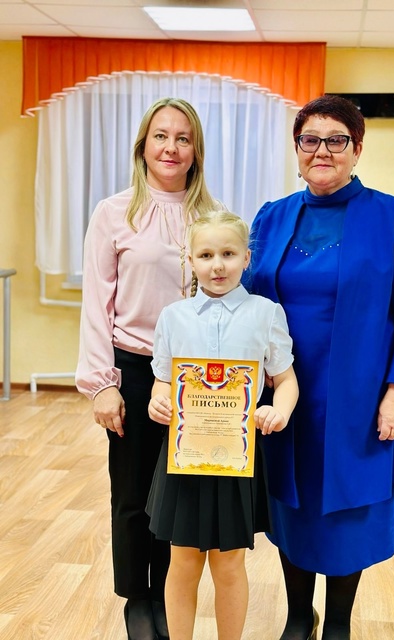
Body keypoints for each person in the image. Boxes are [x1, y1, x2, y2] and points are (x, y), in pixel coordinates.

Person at [244, 94, 394, 640]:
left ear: (357, 149)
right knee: (292, 502)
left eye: (336, 140)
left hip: (358, 395)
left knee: (348, 508)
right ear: (297, 148)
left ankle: (339, 625)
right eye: (310, 140)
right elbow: (245, 298)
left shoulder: (389, 214)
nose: (322, 151)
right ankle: (298, 617)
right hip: (285, 392)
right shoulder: (272, 216)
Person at [76, 97, 223, 640]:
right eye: (161, 136)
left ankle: (166, 594)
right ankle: (137, 600)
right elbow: (97, 304)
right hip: (133, 371)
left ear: (195, 151)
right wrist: (102, 385)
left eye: (183, 138)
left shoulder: (212, 217)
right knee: (134, 491)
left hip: (194, 377)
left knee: (178, 493)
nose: (171, 147)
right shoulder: (114, 213)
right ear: (143, 145)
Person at [146, 210, 299, 640]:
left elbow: (286, 380)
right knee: (183, 561)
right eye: (206, 255)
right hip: (185, 457)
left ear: (247, 258)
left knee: (229, 562)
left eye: (229, 254)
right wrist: (158, 401)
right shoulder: (173, 317)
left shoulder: (266, 313)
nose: (218, 265)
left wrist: (279, 411)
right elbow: (162, 381)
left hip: (237, 458)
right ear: (190, 260)